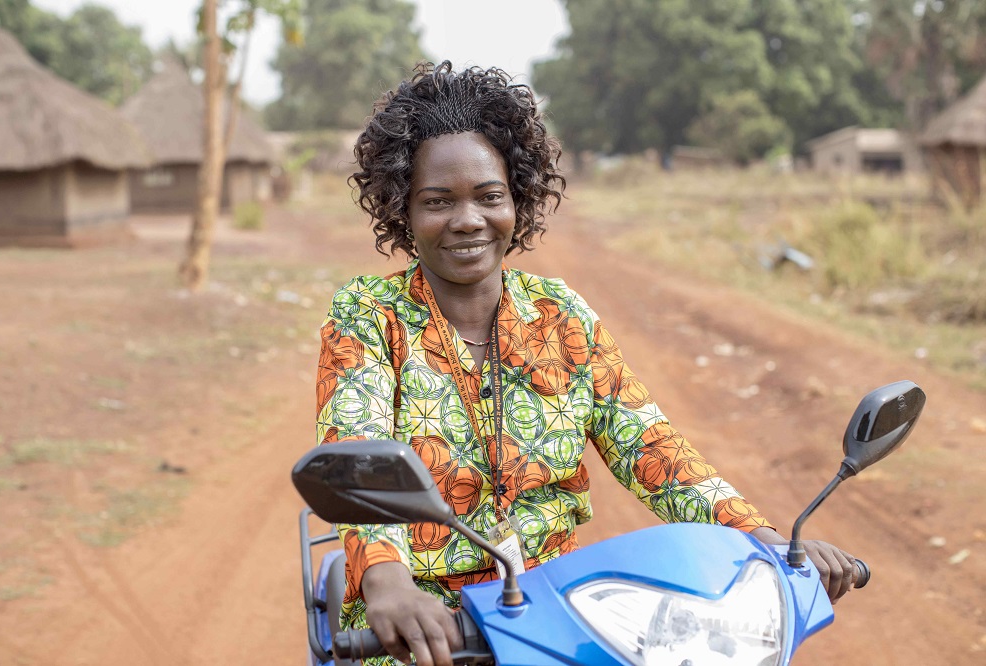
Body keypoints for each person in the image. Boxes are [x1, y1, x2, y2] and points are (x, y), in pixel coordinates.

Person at [314, 61, 858, 666]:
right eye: (437, 201)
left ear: (517, 201)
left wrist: (763, 538)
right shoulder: (367, 315)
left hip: (557, 616)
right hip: (421, 628)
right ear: (403, 211)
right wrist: (390, 584)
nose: (468, 220)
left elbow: (648, 445)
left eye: (489, 197)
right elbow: (357, 449)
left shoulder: (564, 316)